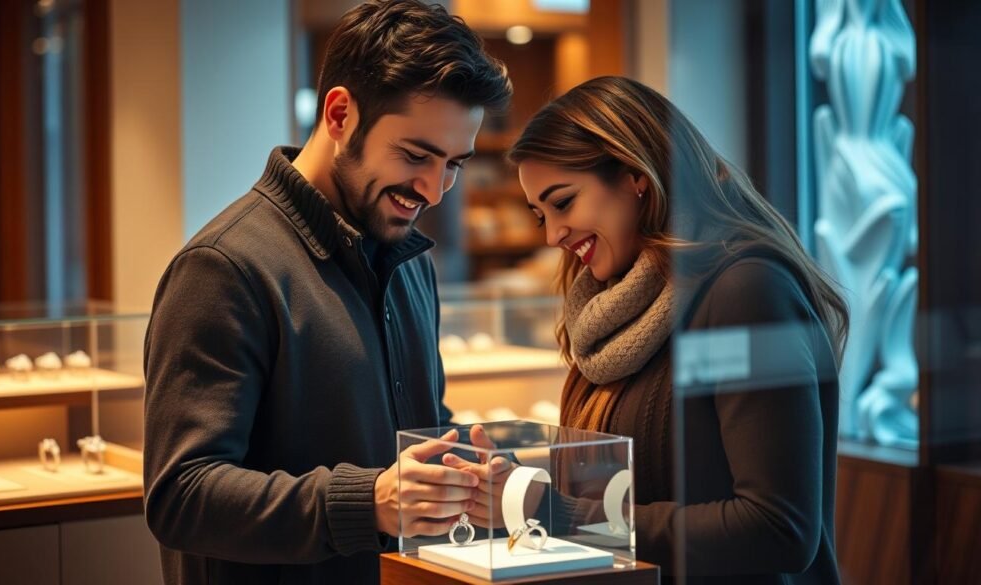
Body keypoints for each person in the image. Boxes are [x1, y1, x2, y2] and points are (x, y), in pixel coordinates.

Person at [142, 2, 511, 584]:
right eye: (415, 155)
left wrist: (467, 468)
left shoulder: (411, 262)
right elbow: (181, 495)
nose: (433, 191)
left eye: (453, 165)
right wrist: (369, 502)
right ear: (339, 114)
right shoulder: (224, 267)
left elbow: (420, 428)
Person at [506, 76, 849, 584]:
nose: (554, 234)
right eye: (540, 215)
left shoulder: (746, 289)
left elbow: (779, 528)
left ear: (634, 176)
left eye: (563, 202)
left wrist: (560, 513)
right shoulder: (609, 310)